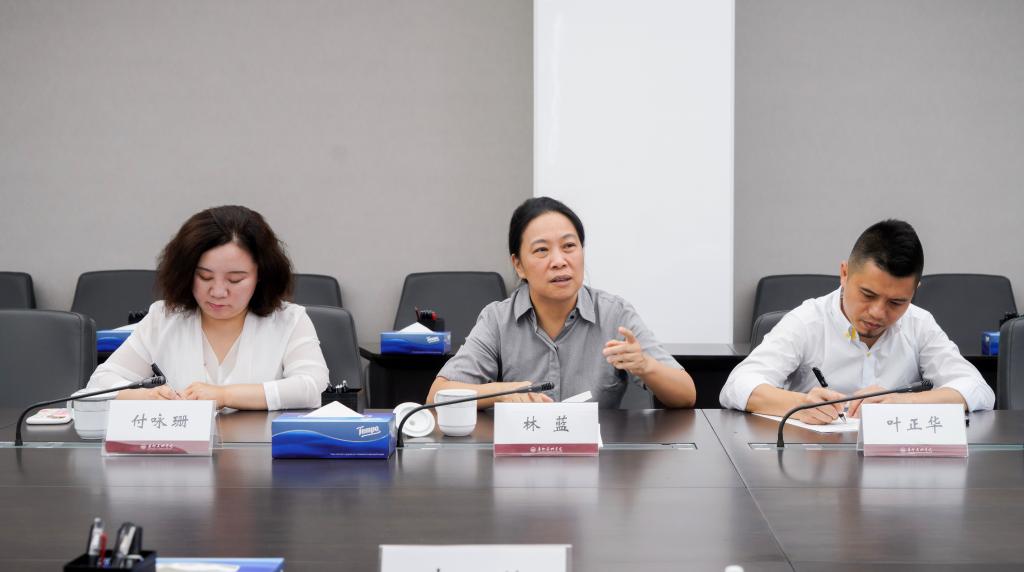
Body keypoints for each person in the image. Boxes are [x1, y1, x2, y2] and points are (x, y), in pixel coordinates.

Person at [426, 197, 696, 409]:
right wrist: (503, 393)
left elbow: (686, 395)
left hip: (598, 458)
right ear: (518, 265)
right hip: (521, 457)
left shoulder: (614, 314)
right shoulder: (498, 319)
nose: (559, 261)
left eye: (569, 246)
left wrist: (646, 366)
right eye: (542, 250)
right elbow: (437, 396)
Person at [720, 219, 995, 423]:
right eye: (868, 294)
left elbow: (977, 389)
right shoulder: (807, 321)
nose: (877, 313)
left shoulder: (919, 324)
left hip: (895, 471)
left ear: (914, 292)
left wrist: (906, 402)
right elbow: (737, 386)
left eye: (896, 302)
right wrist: (801, 405)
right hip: (815, 467)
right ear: (844, 273)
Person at [87, 205, 329, 410]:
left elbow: (311, 386)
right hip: (180, 451)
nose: (218, 291)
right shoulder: (164, 318)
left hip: (260, 449)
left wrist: (225, 395)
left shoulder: (290, 320)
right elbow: (98, 385)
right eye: (205, 277)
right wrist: (146, 397)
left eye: (235, 280)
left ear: (261, 275)